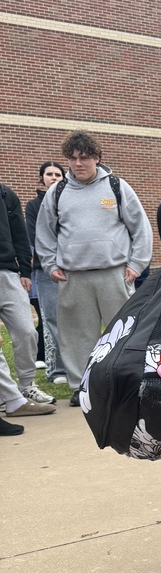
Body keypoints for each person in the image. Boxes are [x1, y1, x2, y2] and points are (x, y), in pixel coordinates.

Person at [35, 131, 153, 406]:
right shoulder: (57, 192)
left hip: (115, 274)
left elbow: (140, 227)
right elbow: (44, 233)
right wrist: (50, 264)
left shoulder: (116, 186)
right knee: (77, 337)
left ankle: (126, 383)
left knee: (122, 331)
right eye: (73, 158)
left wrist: (136, 264)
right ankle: (82, 386)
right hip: (73, 276)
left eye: (85, 157)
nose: (78, 163)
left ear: (97, 158)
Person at [0, 179, 57, 420]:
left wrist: (25, 270)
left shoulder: (5, 194)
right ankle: (9, 398)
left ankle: (26, 385)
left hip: (8, 273)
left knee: (26, 332)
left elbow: (20, 235)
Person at [25, 161, 68, 385]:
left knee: (75, 320)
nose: (54, 177)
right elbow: (36, 237)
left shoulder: (70, 201)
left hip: (73, 269)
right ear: (42, 178)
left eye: (58, 174)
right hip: (46, 270)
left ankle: (78, 366)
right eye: (49, 174)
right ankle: (57, 370)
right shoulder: (34, 206)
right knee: (52, 319)